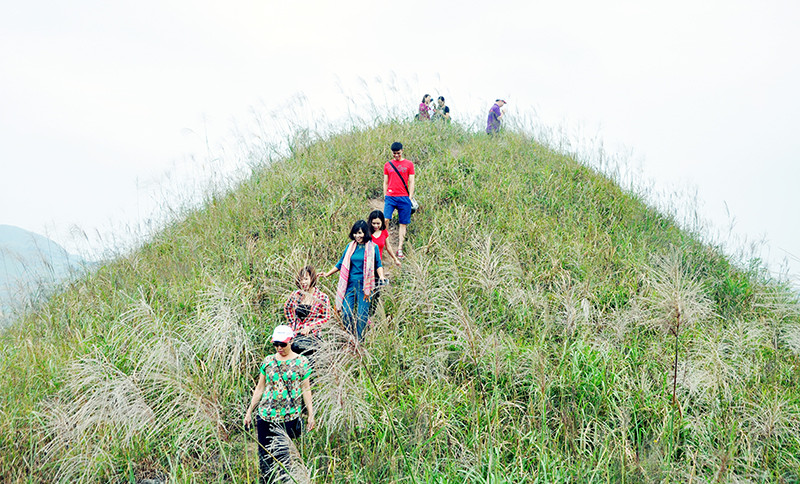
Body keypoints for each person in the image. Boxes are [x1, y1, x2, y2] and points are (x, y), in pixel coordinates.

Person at [244, 325, 315, 483]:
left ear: (291, 341)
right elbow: (260, 388)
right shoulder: (268, 360)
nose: (279, 348)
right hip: (266, 417)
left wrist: (311, 414)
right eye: (276, 344)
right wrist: (249, 411)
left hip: (288, 418)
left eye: (283, 344)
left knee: (285, 462)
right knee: (265, 460)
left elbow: (306, 389)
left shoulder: (302, 362)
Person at [322, 220, 386, 341]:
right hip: (350, 285)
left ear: (365, 233)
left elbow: (378, 264)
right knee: (346, 313)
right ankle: (349, 337)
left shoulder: (373, 247)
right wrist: (327, 274)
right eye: (355, 233)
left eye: (360, 233)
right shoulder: (350, 246)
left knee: (362, 315)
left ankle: (359, 341)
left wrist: (381, 276)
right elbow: (341, 263)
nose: (358, 236)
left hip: (365, 287)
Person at [283, 266, 330, 362]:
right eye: (301, 280)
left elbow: (326, 317)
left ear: (312, 279)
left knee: (310, 362)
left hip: (313, 336)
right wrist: (293, 324)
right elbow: (287, 308)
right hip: (296, 334)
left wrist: (310, 327)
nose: (303, 282)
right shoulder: (296, 295)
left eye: (306, 279)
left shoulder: (322, 297)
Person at [383, 142, 415, 259]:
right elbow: (385, 181)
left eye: (398, 153)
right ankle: (385, 244)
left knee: (403, 223)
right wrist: (385, 196)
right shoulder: (388, 165)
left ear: (402, 151)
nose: (396, 155)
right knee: (385, 219)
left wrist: (409, 198)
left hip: (404, 197)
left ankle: (400, 248)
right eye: (394, 153)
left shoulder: (409, 164)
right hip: (390, 196)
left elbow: (411, 181)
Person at [367, 210, 400, 317]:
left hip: (378, 266)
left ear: (382, 223)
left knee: (377, 291)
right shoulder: (367, 233)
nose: (376, 226)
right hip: (367, 266)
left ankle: (371, 314)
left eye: (378, 223)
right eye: (374, 223)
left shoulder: (384, 233)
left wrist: (395, 259)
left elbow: (388, 246)